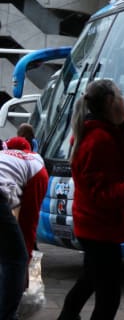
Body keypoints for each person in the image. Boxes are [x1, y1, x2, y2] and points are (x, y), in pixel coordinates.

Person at [57, 79, 124, 320]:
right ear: (111, 103)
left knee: (89, 280)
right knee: (109, 298)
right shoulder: (98, 140)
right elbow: (101, 194)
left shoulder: (103, 132)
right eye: (122, 97)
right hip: (99, 230)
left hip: (94, 227)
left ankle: (67, 317)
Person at [0, 137, 49, 319]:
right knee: (15, 258)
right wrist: (24, 273)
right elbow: (28, 225)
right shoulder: (39, 170)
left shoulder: (5, 157)